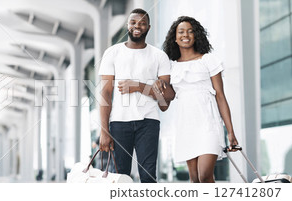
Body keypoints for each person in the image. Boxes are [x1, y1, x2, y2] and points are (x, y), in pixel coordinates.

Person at [98, 8, 174, 183]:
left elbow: (165, 101)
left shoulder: (159, 56)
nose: (137, 26)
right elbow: (106, 92)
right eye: (133, 22)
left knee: (148, 177)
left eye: (142, 23)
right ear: (127, 25)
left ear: (148, 27)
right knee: (120, 177)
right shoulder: (112, 53)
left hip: (149, 122)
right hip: (119, 122)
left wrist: (138, 86)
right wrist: (104, 130)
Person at [162, 16, 239, 183]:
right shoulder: (172, 67)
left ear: (196, 35)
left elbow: (220, 95)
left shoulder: (208, 60)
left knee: (205, 176)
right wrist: (151, 88)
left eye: (190, 31)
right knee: (195, 180)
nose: (186, 35)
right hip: (185, 125)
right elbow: (165, 103)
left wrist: (231, 131)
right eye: (181, 32)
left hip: (208, 123)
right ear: (175, 38)